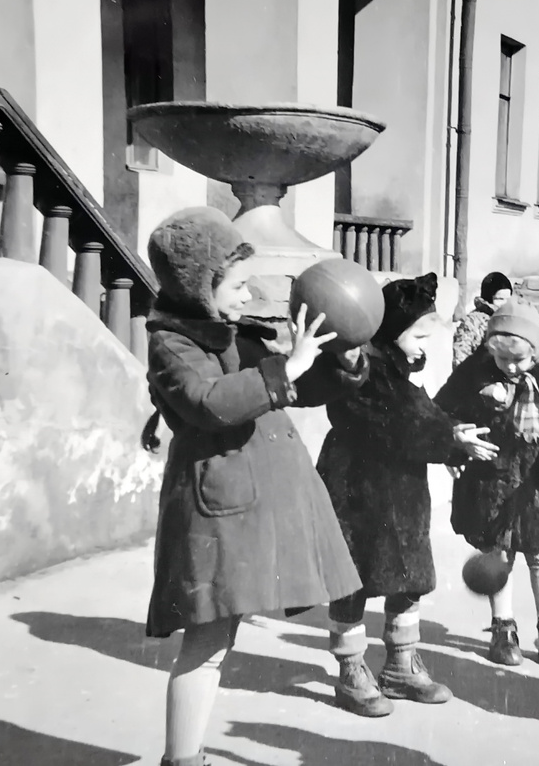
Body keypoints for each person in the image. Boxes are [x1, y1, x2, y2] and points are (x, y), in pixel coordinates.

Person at [139, 207, 367, 766]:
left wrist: (341, 360)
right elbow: (211, 403)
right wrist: (284, 369)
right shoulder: (173, 344)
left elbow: (298, 387)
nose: (248, 295)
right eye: (237, 285)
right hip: (216, 511)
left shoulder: (233, 333)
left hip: (253, 507)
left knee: (218, 639)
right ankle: (183, 758)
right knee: (207, 642)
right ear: (199, 288)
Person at [318, 273, 500, 717]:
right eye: (419, 335)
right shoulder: (362, 371)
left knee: (410, 575)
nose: (425, 345)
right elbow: (399, 424)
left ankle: (401, 664)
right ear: (391, 332)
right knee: (354, 578)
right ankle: (351, 668)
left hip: (402, 495)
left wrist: (452, 431)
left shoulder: (400, 372)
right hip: (356, 492)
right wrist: (449, 441)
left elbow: (424, 413)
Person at [436, 300, 539, 669]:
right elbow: (443, 411)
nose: (510, 368)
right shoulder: (473, 373)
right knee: (499, 554)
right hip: (490, 479)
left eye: (519, 361)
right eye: (502, 360)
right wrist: (457, 442)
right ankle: (503, 628)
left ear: (536, 351)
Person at [453, 271, 513, 367]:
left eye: (508, 299)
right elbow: (461, 355)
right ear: (489, 298)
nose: (504, 304)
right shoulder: (472, 322)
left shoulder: (512, 320)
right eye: (500, 299)